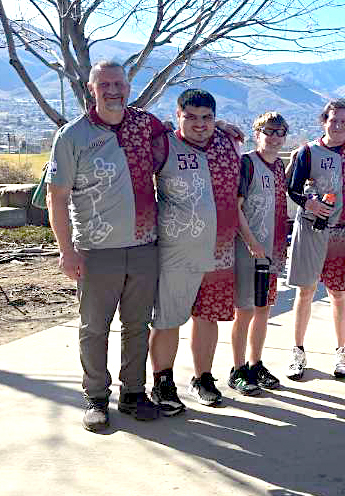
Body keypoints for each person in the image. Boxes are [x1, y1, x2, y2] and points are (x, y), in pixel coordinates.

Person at [46, 61, 167, 431]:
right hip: (97, 251)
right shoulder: (73, 136)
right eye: (106, 85)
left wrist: (222, 132)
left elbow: (183, 141)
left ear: (129, 87)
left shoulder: (145, 125)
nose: (113, 90)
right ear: (92, 88)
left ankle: (133, 393)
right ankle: (96, 396)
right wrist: (67, 250)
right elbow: (56, 196)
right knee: (94, 328)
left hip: (144, 246)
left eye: (119, 84)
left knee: (137, 325)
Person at [148, 89, 242, 410]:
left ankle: (203, 379)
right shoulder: (164, 146)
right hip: (178, 250)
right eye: (191, 117)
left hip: (221, 250)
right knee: (168, 319)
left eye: (207, 118)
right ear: (178, 115)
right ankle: (162, 383)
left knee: (208, 317)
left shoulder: (227, 143)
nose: (200, 124)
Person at [286, 100, 345, 380]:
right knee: (306, 291)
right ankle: (297, 351)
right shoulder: (308, 152)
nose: (338, 126)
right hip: (312, 228)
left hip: (342, 231)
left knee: (337, 293)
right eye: (333, 120)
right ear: (324, 121)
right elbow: (293, 189)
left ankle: (340, 351)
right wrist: (309, 202)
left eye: (344, 122)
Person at [227, 112, 289, 395]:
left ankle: (255, 364)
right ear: (257, 133)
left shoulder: (279, 167)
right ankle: (237, 369)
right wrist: (252, 243)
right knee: (245, 311)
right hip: (248, 250)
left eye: (280, 132)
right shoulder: (247, 164)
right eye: (269, 131)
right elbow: (235, 208)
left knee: (264, 309)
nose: (274, 137)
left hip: (271, 252)